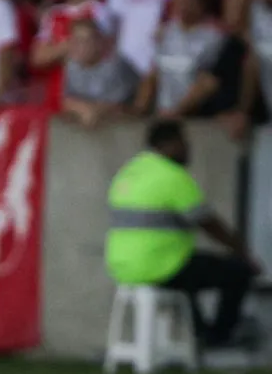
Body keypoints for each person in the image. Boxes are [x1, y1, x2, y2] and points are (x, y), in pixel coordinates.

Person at [106, 120, 261, 349]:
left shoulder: (128, 172)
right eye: (184, 143)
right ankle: (219, 338)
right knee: (238, 272)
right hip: (160, 265)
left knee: (189, 276)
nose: (188, 149)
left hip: (121, 266)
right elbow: (208, 223)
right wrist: (242, 251)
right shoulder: (172, 175)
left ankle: (201, 334)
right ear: (169, 144)